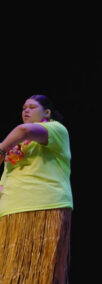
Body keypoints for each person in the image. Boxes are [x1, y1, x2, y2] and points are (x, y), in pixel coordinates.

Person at [0, 94, 73, 283]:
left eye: (32, 107)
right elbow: (5, 178)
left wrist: (1, 149)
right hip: (11, 209)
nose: (25, 110)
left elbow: (24, 130)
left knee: (42, 273)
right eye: (23, 107)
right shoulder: (15, 145)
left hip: (44, 205)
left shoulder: (57, 130)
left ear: (47, 112)